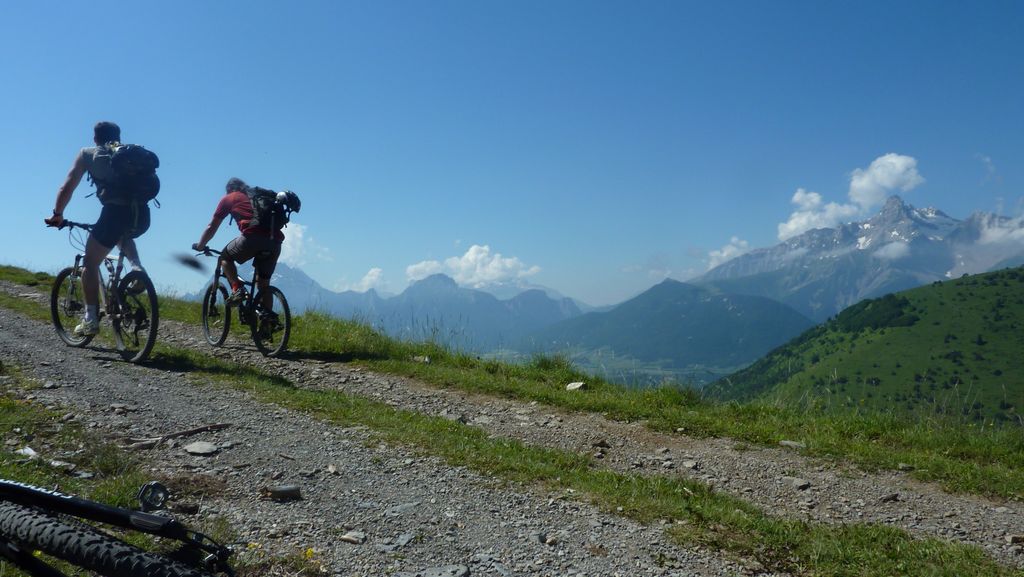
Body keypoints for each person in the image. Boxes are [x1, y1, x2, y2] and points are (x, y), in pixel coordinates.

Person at [44, 121, 150, 337]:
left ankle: (90, 319)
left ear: (95, 138)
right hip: (142, 214)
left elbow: (68, 186)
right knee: (121, 234)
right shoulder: (131, 155)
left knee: (90, 263)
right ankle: (137, 268)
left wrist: (58, 214)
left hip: (114, 214)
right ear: (119, 136)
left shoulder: (88, 153)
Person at [192, 178, 284, 313]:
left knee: (224, 257)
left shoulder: (230, 198)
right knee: (263, 285)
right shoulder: (257, 197)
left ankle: (237, 288)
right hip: (275, 242)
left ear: (229, 189)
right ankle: (267, 323)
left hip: (252, 238)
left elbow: (212, 226)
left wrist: (200, 246)